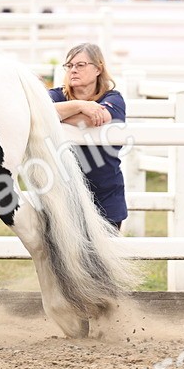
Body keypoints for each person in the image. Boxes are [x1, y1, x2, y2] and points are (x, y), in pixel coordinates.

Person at [48, 43, 127, 231]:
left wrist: (63, 116)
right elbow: (44, 111)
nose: (73, 70)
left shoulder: (114, 98)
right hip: (64, 193)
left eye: (80, 65)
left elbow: (97, 119)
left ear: (98, 68)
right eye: (69, 66)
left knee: (105, 256)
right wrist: (81, 106)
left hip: (106, 193)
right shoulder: (56, 95)